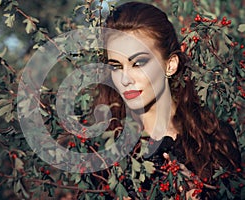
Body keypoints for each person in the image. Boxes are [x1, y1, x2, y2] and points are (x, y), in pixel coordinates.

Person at [95, 1, 242, 199]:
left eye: (138, 63)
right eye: (116, 66)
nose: (124, 79)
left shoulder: (216, 140)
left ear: (170, 65)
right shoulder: (104, 153)